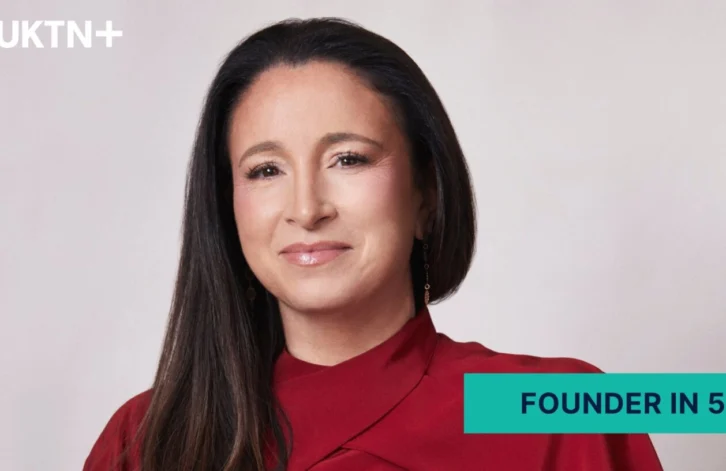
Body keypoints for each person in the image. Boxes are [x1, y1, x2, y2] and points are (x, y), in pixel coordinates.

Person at [83, 17, 663, 471]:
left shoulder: (557, 413)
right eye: (265, 170)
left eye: (348, 159)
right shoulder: (144, 442)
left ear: (426, 194)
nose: (307, 208)